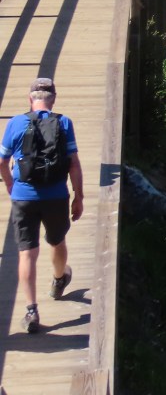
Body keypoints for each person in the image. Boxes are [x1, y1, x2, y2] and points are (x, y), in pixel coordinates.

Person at [0, 77, 84, 333]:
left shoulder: (15, 122)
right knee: (57, 241)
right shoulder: (64, 122)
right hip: (56, 196)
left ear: (30, 99)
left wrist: (10, 186)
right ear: (53, 99)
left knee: (28, 253)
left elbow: (2, 162)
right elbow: (73, 163)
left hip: (24, 197)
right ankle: (60, 279)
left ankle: (31, 310)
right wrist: (78, 196)